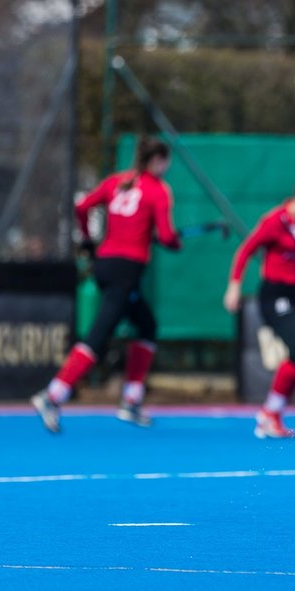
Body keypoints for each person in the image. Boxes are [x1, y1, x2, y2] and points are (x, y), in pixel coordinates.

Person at [31, 136, 180, 432]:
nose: (167, 167)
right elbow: (165, 236)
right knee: (100, 334)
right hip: (126, 270)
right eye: (166, 161)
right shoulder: (159, 190)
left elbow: (82, 206)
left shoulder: (116, 182)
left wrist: (87, 238)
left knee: (146, 325)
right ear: (157, 161)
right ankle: (53, 394)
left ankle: (132, 400)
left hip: (105, 265)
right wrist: (174, 243)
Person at [224, 171, 295, 439]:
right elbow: (245, 251)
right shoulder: (275, 221)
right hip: (275, 295)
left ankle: (270, 414)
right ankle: (269, 415)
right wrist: (234, 285)